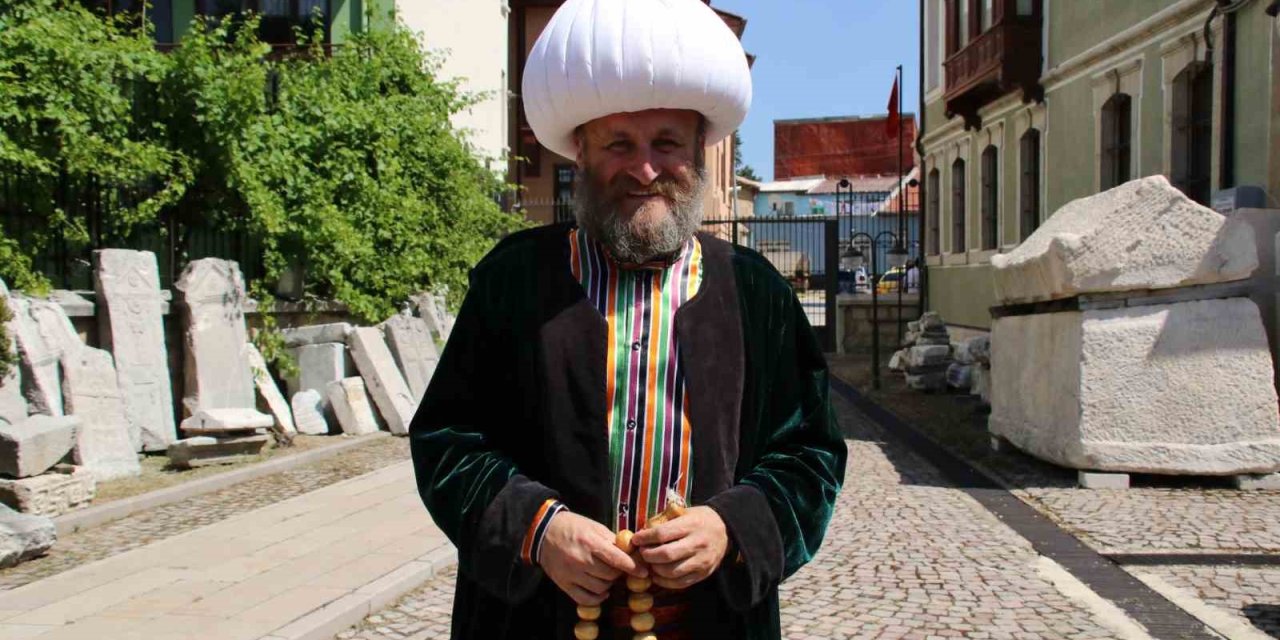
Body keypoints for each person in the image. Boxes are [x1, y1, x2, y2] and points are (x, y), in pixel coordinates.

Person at [408, 1, 847, 638]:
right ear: (580, 152)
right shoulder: (514, 282)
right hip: (534, 622)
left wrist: (733, 526)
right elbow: (447, 439)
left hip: (711, 622)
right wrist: (539, 529)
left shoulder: (756, 295)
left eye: (666, 143)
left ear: (699, 149)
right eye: (619, 143)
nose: (645, 168)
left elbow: (810, 452)